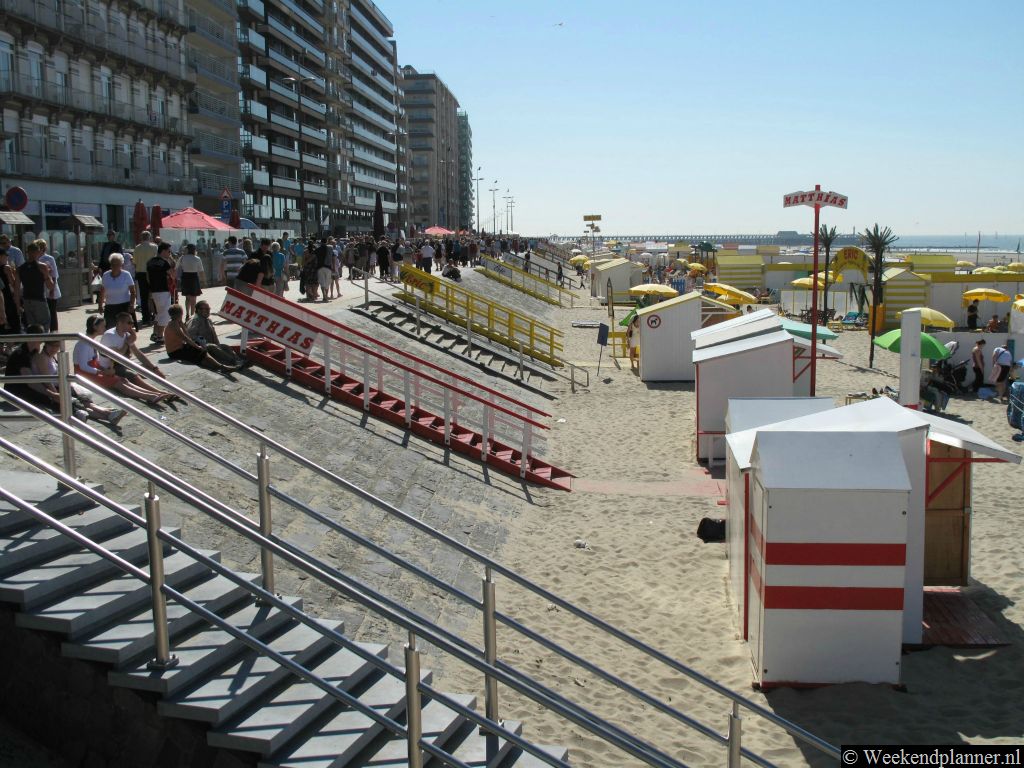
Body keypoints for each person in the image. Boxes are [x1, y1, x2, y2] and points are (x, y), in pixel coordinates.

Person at [74, 316, 174, 405]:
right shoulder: (84, 344)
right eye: (102, 326)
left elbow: (94, 363)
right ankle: (150, 396)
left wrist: (104, 370)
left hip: (95, 370)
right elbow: (83, 367)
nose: (104, 328)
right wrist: (103, 371)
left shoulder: (91, 341)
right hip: (85, 374)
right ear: (95, 327)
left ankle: (155, 394)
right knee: (118, 382)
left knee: (123, 380)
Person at [30, 337, 126, 425]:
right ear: (46, 344)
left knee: (84, 402)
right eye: (52, 345)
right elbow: (47, 380)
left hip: (61, 386)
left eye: (57, 346)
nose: (55, 349)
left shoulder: (52, 357)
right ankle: (108, 414)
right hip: (54, 389)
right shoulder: (42, 358)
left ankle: (109, 413)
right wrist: (56, 395)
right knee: (79, 405)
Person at [164, 304, 238, 374]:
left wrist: (182, 325)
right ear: (180, 314)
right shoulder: (174, 325)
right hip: (175, 352)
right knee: (200, 351)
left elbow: (187, 335)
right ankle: (222, 367)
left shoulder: (175, 322)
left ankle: (221, 366)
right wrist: (197, 347)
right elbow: (186, 338)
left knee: (201, 351)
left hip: (180, 348)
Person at [187, 300, 246, 368]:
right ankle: (234, 362)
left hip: (210, 343)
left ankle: (238, 359)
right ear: (199, 310)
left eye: (208, 309)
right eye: (206, 309)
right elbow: (190, 335)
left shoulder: (208, 320)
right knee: (213, 346)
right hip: (199, 346)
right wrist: (202, 342)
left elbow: (214, 333)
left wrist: (218, 344)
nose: (208, 311)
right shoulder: (194, 320)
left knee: (225, 346)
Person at [17, 242, 53, 330]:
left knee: (31, 328)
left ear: (27, 252)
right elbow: (50, 286)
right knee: (44, 325)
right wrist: (49, 274)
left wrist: (18, 305)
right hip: (39, 299)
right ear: (38, 252)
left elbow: (16, 288)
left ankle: (33, 343)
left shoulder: (20, 268)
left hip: (27, 300)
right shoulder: (42, 266)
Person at [97, 253, 137, 331]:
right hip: (110, 307)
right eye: (113, 264)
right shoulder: (106, 275)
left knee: (125, 330)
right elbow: (102, 292)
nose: (115, 266)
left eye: (117, 264)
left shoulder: (126, 275)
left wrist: (132, 305)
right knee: (110, 330)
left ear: (121, 265)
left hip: (124, 306)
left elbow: (133, 292)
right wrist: (100, 305)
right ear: (110, 265)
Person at [146, 242, 175, 345]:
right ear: (163, 251)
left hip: (154, 290)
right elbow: (173, 274)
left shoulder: (150, 262)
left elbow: (148, 278)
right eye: (168, 251)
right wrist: (171, 260)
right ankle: (159, 336)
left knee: (158, 313)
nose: (169, 253)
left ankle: (155, 333)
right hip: (163, 290)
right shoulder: (164, 262)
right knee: (165, 314)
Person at [34, 239, 61, 331]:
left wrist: (52, 290)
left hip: (49, 288)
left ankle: (54, 332)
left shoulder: (49, 258)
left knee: (52, 312)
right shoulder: (34, 259)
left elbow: (54, 275)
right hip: (39, 289)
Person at [133, 231, 157, 326]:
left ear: (141, 238)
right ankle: (155, 315)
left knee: (143, 296)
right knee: (154, 294)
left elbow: (134, 262)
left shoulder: (137, 248)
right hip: (152, 273)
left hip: (141, 273)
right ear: (150, 237)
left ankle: (146, 317)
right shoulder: (154, 247)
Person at [177, 243, 205, 320]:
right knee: (194, 298)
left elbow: (177, 267)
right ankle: (192, 315)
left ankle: (187, 314)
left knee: (187, 297)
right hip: (194, 277)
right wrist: (203, 281)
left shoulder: (182, 258)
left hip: (185, 277)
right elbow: (201, 271)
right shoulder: (197, 258)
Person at [0, 246, 21, 335]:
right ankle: (10, 346)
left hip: (2, 295)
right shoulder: (6, 268)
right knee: (13, 322)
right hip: (7, 297)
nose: (7, 258)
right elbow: (13, 284)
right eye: (6, 256)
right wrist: (16, 274)